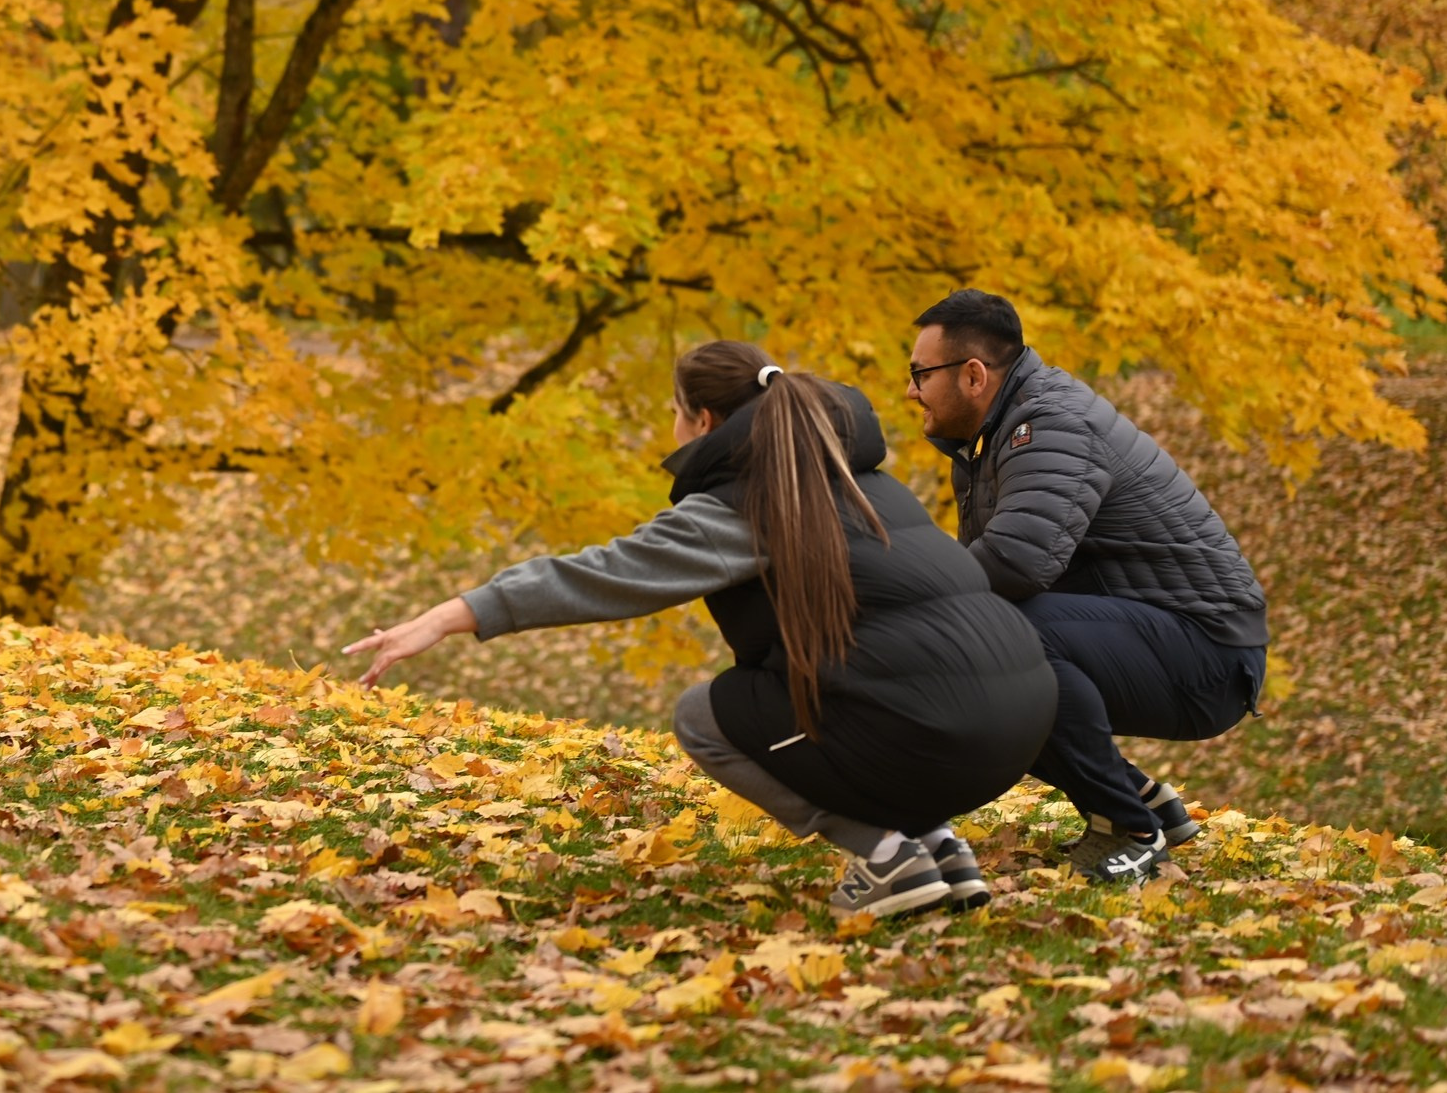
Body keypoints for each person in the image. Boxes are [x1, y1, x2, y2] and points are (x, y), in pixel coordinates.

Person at [347, 341, 1057, 920]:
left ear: (705, 421)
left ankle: (886, 855)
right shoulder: (862, 481)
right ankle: (939, 847)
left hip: (939, 734)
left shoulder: (750, 501)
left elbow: (603, 575)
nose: (674, 429)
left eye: (675, 415)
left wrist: (443, 617)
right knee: (853, 682)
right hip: (1019, 725)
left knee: (706, 716)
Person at [907, 289, 1268, 884]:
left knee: (998, 640)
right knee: (970, 652)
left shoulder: (1049, 424)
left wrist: (906, 597)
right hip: (1156, 635)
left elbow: (1016, 564)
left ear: (973, 375)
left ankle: (1130, 831)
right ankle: (1141, 801)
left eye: (921, 373)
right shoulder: (995, 436)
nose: (911, 391)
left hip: (1210, 654)